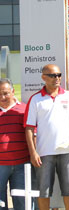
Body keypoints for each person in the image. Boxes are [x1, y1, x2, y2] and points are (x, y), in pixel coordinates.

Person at [24, 65, 69, 210]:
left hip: (67, 151)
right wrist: (33, 153)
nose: (57, 78)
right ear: (43, 77)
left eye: (59, 75)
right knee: (43, 192)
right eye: (52, 75)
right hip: (44, 153)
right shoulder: (35, 99)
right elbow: (29, 128)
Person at [0, 78, 30, 210]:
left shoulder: (24, 110)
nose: (2, 97)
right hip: (0, 165)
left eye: (5, 93)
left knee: (21, 202)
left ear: (12, 92)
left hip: (21, 165)